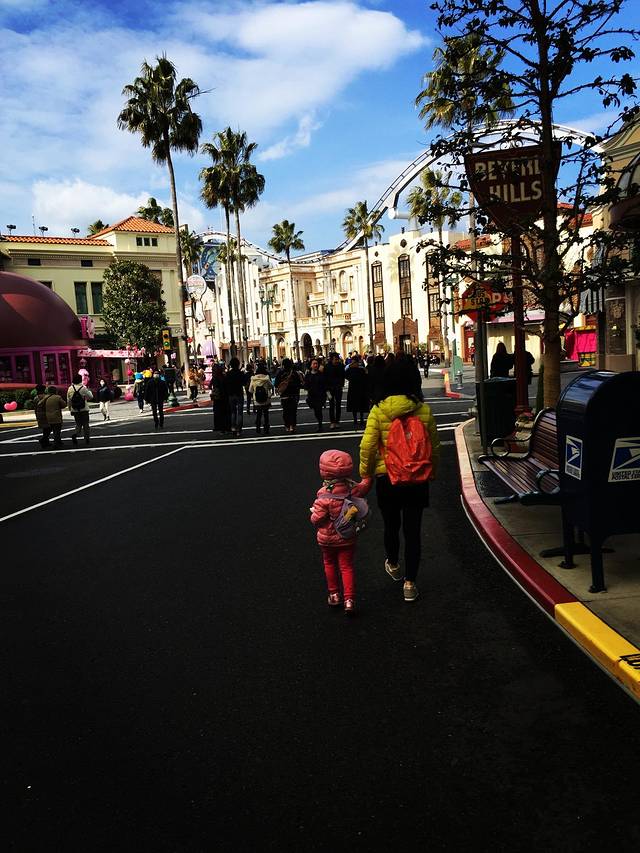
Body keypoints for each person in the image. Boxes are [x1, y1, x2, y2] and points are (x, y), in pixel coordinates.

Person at [359, 359, 440, 603]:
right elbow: (434, 446)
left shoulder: (378, 410)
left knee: (391, 525)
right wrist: (432, 472)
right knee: (413, 531)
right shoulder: (423, 410)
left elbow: (367, 446)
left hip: (388, 478)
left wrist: (366, 474)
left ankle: (393, 563)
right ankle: (410, 583)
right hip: (417, 478)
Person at [310, 449, 371, 615]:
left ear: (324, 471)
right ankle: (349, 600)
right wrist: (368, 476)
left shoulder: (323, 495)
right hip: (347, 536)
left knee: (329, 563)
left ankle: (334, 594)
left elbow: (316, 519)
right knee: (347, 566)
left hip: (327, 539)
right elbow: (364, 487)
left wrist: (313, 513)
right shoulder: (352, 489)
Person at [275, 357, 302, 433]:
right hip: (293, 394)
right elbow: (299, 384)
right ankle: (292, 426)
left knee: (286, 411)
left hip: (284, 395)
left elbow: (276, 384)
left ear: (283, 365)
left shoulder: (280, 373)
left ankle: (287, 425)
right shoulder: (294, 373)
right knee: (293, 411)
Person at [67, 373, 93, 446]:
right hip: (84, 409)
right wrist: (89, 391)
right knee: (85, 424)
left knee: (78, 424)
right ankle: (87, 438)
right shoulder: (83, 388)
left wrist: (70, 409)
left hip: (75, 409)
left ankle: (76, 434)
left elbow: (68, 400)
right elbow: (91, 397)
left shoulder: (70, 388)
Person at [345, 354, 370, 429]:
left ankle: (360, 419)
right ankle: (356, 419)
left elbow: (366, 376)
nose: (353, 363)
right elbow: (345, 375)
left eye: (354, 362)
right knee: (355, 405)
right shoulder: (351, 369)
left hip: (358, 388)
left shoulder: (360, 369)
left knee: (359, 404)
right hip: (355, 388)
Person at [224, 357, 245, 438]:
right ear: (238, 364)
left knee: (233, 412)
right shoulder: (240, 373)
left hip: (231, 394)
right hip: (239, 393)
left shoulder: (228, 374)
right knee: (240, 412)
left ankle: (233, 427)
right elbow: (244, 383)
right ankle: (239, 430)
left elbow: (225, 384)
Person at [249, 362, 273, 434]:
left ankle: (258, 427)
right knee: (266, 414)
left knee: (259, 414)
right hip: (266, 399)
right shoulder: (266, 378)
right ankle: (266, 428)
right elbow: (271, 386)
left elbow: (250, 390)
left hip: (257, 400)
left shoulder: (253, 379)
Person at [324, 351, 345, 429]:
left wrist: (341, 384)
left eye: (337, 359)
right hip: (330, 389)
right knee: (331, 405)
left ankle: (337, 421)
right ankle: (332, 422)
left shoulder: (340, 366)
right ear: (331, 359)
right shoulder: (327, 367)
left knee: (338, 405)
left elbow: (343, 376)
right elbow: (325, 378)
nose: (336, 361)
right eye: (335, 359)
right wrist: (326, 389)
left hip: (338, 388)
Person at [305, 358, 327, 431]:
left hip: (320, 395)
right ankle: (319, 422)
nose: (315, 365)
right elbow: (306, 385)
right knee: (316, 410)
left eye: (316, 364)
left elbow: (324, 384)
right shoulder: (308, 375)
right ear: (311, 365)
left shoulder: (321, 374)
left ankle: (320, 425)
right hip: (312, 395)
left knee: (318, 409)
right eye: (314, 364)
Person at [210, 364, 231, 434]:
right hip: (225, 396)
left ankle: (220, 427)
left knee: (218, 412)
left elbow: (211, 386)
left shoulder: (215, 378)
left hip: (218, 397)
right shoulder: (224, 377)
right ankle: (227, 427)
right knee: (225, 412)